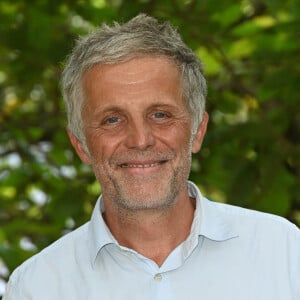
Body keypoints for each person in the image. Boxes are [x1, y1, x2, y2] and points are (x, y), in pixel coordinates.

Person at [3, 14, 300, 300]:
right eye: (112, 120)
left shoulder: (284, 253)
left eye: (160, 115)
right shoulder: (36, 287)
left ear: (197, 131)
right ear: (81, 144)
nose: (140, 140)